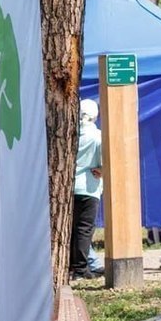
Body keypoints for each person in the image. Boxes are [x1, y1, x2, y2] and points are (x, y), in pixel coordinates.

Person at [71, 98, 103, 281]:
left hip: (71, 188)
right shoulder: (97, 136)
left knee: (72, 229)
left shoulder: (71, 133)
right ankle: (81, 269)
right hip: (89, 187)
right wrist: (102, 170)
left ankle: (71, 266)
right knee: (85, 229)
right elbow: (103, 161)